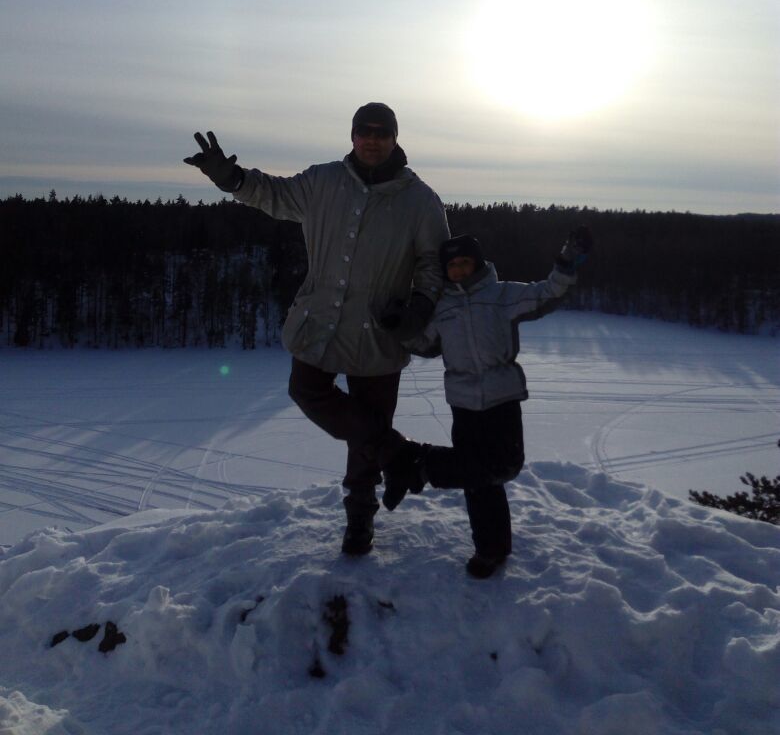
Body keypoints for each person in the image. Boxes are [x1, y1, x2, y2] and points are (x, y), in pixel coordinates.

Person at [184, 102, 449, 556]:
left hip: (380, 329)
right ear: (351, 136)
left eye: (380, 132)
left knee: (368, 425)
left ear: (394, 138)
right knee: (309, 391)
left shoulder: (419, 200)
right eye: (363, 131)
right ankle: (398, 454)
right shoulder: (323, 181)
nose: (371, 139)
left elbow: (434, 263)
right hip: (319, 320)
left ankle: (360, 520)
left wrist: (420, 305)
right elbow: (274, 195)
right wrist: (229, 178)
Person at [380, 227, 592, 579]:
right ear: (446, 271)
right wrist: (396, 324)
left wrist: (566, 263)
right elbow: (423, 343)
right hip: (463, 404)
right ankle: (491, 549)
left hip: (501, 398)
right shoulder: (442, 308)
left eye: (465, 262)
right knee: (479, 479)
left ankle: (415, 463)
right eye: (453, 266)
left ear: (477, 263)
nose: (460, 270)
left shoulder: (501, 295)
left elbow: (547, 293)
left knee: (504, 466)